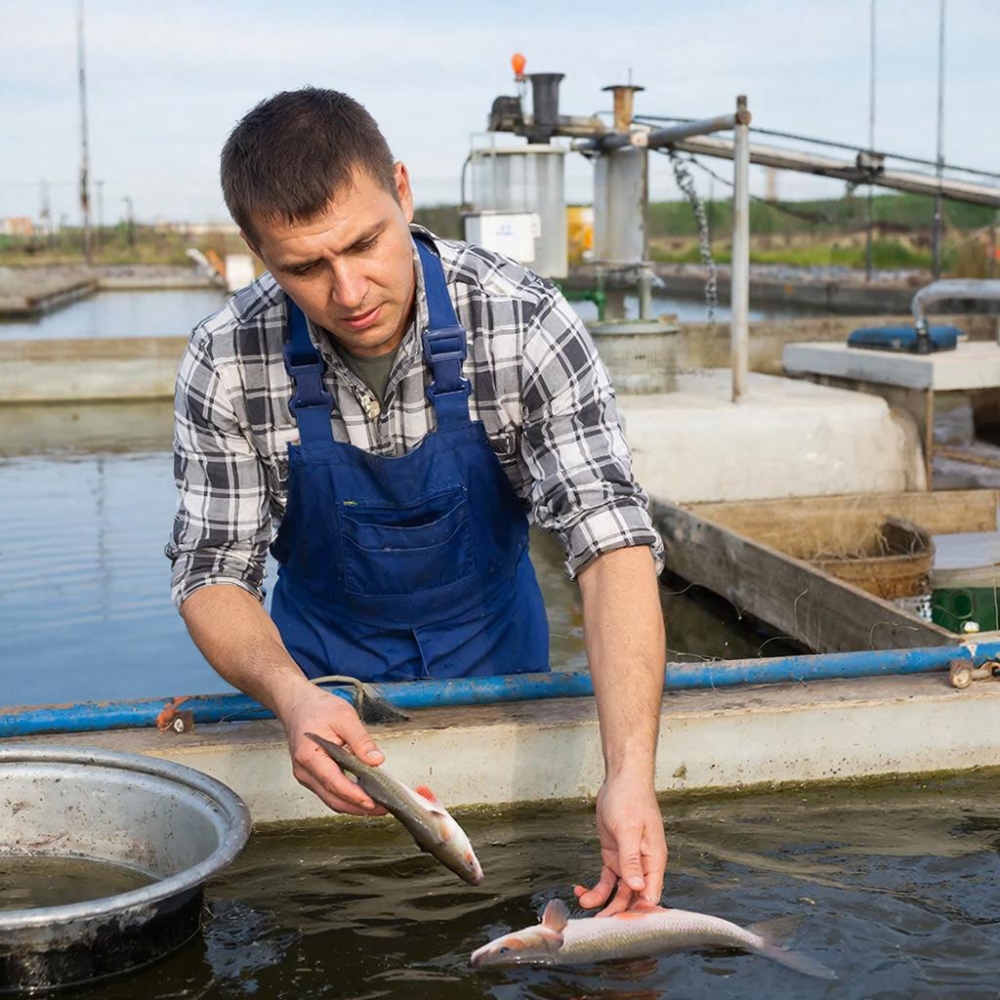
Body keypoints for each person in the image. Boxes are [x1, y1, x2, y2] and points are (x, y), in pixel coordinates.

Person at [167, 87, 667, 915]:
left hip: (500, 664)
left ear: (403, 191)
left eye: (365, 243)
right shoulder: (224, 360)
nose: (350, 289)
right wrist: (292, 698)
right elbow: (211, 573)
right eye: (303, 267)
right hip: (319, 684)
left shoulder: (523, 319)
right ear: (259, 254)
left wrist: (628, 778)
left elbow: (610, 543)